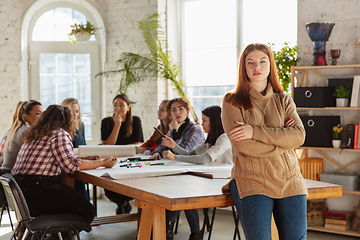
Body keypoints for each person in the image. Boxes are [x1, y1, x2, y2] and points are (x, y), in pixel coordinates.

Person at [221, 43, 307, 240]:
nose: (256, 67)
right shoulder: (231, 101)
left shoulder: (283, 99)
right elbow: (242, 145)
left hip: (290, 178)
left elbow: (299, 136)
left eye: (262, 61)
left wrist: (253, 131)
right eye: (250, 62)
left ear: (270, 65)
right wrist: (283, 139)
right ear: (243, 68)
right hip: (252, 179)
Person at [11, 105, 117, 227]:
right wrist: (103, 163)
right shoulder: (58, 134)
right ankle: (56, 233)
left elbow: (62, 159)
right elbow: (70, 167)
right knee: (87, 211)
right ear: (67, 121)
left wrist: (84, 159)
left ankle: (52, 233)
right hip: (38, 192)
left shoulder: (34, 134)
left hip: (21, 195)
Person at [150, 97, 205, 240]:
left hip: (195, 173)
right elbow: (162, 146)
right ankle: (167, 225)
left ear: (187, 111)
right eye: (173, 110)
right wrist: (157, 152)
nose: (177, 112)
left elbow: (185, 152)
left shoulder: (195, 129)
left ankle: (168, 225)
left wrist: (174, 134)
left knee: (182, 191)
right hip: (175, 172)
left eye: (181, 109)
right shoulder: (174, 127)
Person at [101, 94, 144, 214]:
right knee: (109, 188)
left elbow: (138, 144)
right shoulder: (106, 122)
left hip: (131, 160)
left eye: (121, 105)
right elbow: (108, 145)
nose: (118, 108)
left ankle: (124, 203)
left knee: (132, 185)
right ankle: (122, 203)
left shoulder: (135, 121)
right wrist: (117, 126)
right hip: (112, 160)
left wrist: (117, 149)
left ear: (128, 107)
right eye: (115, 105)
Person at [162, 105, 231, 165]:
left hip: (226, 176)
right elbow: (190, 154)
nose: (201, 124)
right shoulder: (211, 139)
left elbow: (204, 159)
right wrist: (174, 146)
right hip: (216, 173)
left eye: (204, 120)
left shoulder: (225, 139)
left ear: (214, 122)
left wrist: (174, 157)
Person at [0, 100, 43, 174]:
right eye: (38, 113)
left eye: (43, 113)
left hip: (6, 173)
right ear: (26, 116)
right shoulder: (25, 132)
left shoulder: (16, 129)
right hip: (11, 174)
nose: (42, 116)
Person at [61, 98, 92, 198]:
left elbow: (82, 147)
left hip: (78, 162)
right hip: (67, 167)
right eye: (71, 111)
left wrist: (77, 129)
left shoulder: (80, 125)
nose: (75, 114)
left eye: (77, 111)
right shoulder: (61, 128)